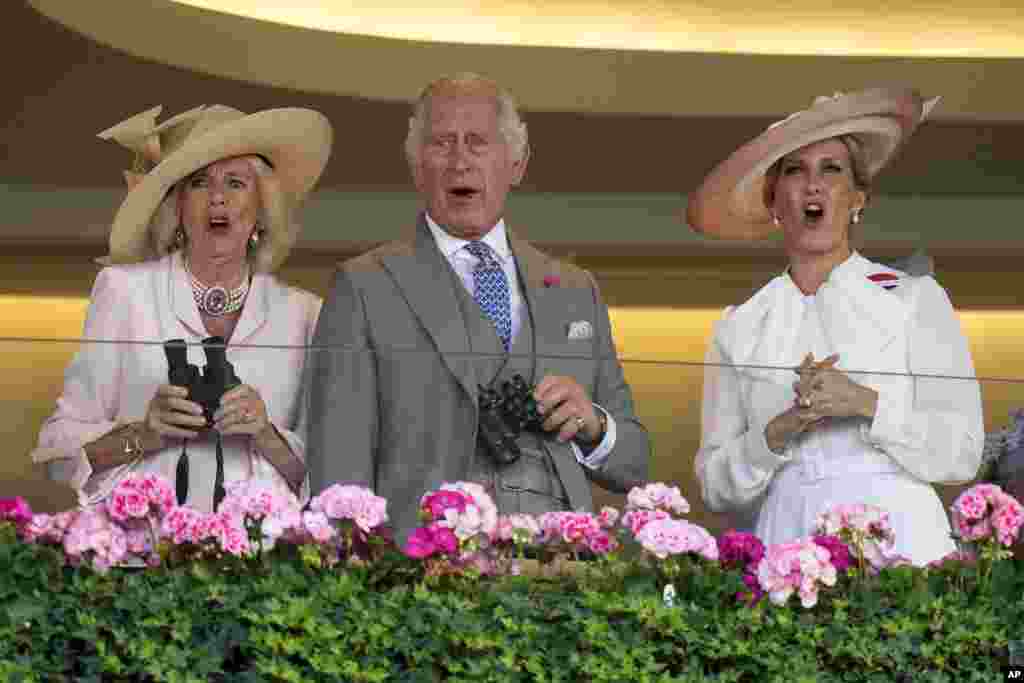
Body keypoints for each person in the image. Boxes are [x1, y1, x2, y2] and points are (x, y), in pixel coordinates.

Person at [307, 73, 650, 541]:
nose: (460, 161)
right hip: (426, 579)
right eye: (442, 143)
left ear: (517, 163)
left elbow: (633, 462)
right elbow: (337, 481)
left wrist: (593, 425)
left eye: (478, 143)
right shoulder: (364, 286)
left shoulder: (575, 290)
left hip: (560, 576)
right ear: (415, 164)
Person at [687, 88, 983, 565]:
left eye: (832, 169)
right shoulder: (739, 326)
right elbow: (716, 487)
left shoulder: (913, 298)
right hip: (788, 543)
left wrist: (864, 403)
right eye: (794, 170)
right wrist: (780, 429)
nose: (813, 185)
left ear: (857, 199)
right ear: (774, 202)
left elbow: (961, 453)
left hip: (903, 542)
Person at [32, 104, 332, 511]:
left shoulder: (304, 314)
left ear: (262, 210)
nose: (218, 198)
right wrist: (144, 433)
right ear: (176, 208)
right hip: (140, 554)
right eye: (199, 183)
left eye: (235, 183)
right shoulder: (124, 292)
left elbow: (329, 480)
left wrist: (264, 432)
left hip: (264, 562)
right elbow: (55, 453)